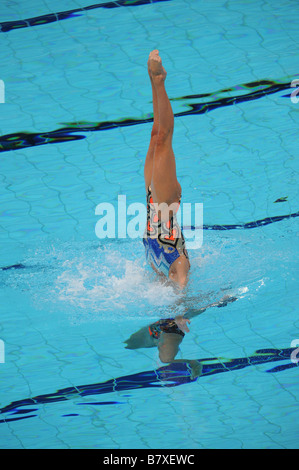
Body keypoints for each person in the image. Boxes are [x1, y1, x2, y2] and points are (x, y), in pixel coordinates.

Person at [143, 50, 190, 289]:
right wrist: (180, 312)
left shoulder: (169, 266)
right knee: (162, 138)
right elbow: (182, 293)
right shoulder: (180, 265)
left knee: (157, 135)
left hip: (156, 205)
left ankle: (155, 80)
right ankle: (158, 80)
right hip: (165, 204)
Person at [125, 295, 237, 378]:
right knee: (133, 346)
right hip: (167, 330)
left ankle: (218, 301)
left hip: (166, 329)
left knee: (165, 358)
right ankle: (218, 301)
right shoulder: (150, 341)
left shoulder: (143, 341)